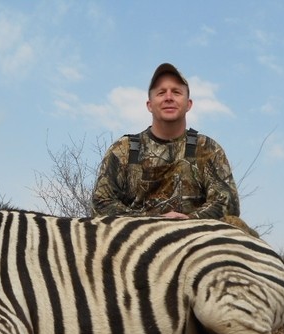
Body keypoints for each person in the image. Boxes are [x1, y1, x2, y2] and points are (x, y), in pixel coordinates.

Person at [92, 63, 245, 225]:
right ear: (149, 105)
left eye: (176, 92)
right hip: (136, 239)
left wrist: (189, 220)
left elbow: (228, 203)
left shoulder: (207, 148)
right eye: (161, 93)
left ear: (189, 104)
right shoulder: (124, 149)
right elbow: (101, 203)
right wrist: (155, 221)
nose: (169, 97)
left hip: (195, 236)